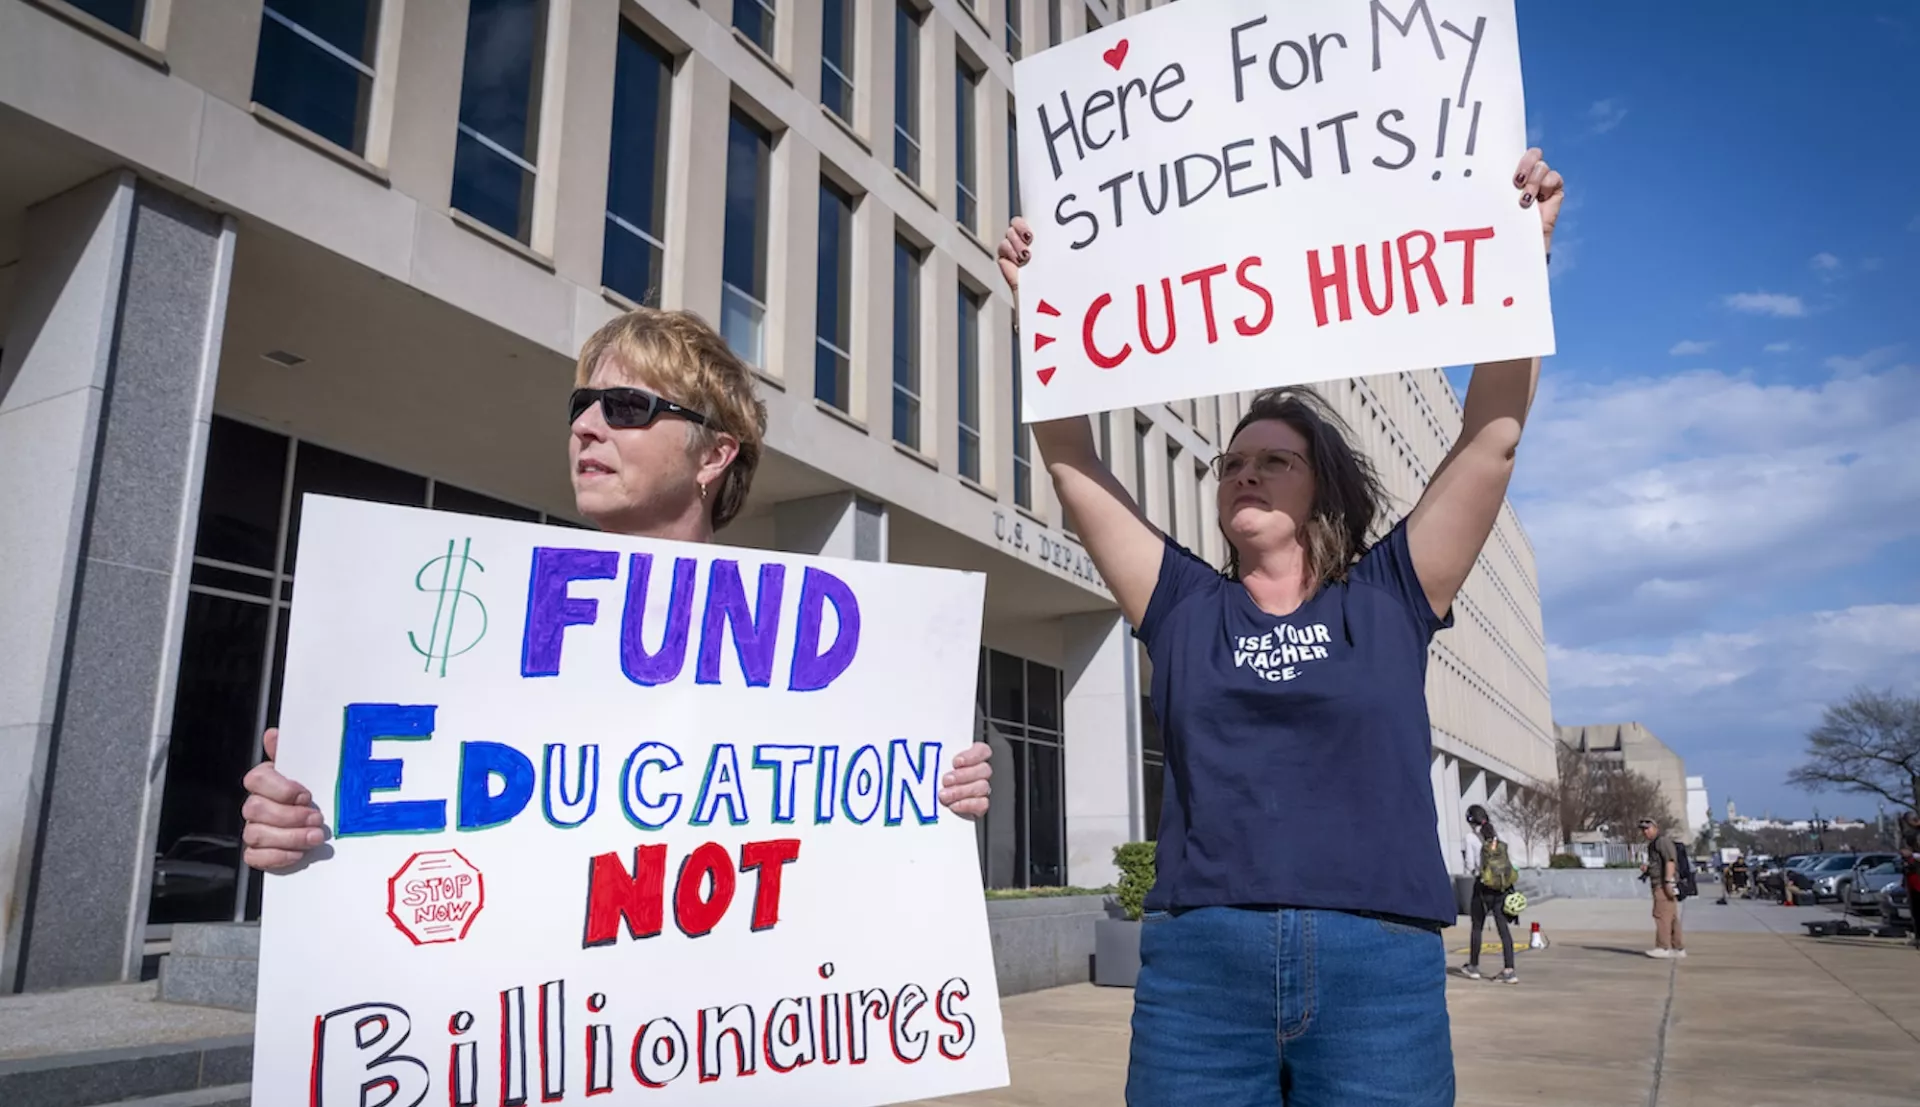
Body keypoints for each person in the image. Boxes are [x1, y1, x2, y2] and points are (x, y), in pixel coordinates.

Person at [996, 149, 1563, 1105]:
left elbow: (1491, 440)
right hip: (1199, 977)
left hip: (1377, 974)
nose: (1244, 472)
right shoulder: (1181, 605)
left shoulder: (1387, 593)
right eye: (1230, 463)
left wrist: (1521, 261)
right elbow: (1071, 464)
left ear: (1322, 488)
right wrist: (1040, 306)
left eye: (1275, 460)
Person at [240, 307, 994, 871]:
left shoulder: (820, 676)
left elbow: (855, 841)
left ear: (715, 454)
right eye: (583, 406)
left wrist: (939, 795)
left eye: (628, 407)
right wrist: (305, 828)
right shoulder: (473, 633)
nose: (587, 427)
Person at [1459, 805, 1519, 984]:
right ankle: (1509, 970)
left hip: (1483, 887)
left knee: (1477, 926)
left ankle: (1474, 966)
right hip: (1501, 887)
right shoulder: (1496, 835)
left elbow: (1471, 865)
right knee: (1504, 930)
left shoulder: (1470, 838)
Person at [1639, 818, 1685, 959]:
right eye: (1643, 829)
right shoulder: (1654, 844)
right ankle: (1678, 948)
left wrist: (1668, 881)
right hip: (1661, 882)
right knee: (1671, 917)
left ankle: (1663, 947)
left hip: (1662, 884)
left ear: (1656, 828)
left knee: (1661, 915)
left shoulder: (1662, 842)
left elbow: (1670, 861)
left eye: (1648, 828)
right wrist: (1648, 869)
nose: (1645, 831)